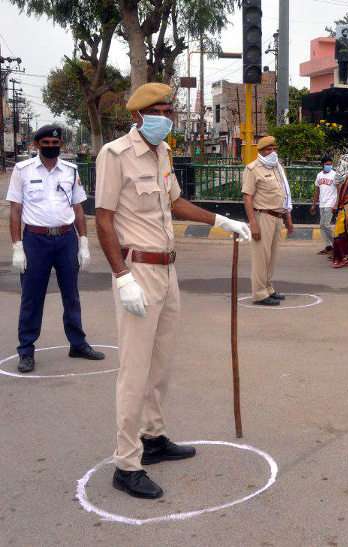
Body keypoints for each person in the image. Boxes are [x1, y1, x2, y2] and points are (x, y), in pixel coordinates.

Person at [95, 83, 251, 499]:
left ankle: (153, 438)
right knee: (134, 371)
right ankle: (126, 464)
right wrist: (121, 276)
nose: (168, 115)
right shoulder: (114, 155)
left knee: (161, 365)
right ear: (137, 116)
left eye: (169, 108)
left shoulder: (163, 152)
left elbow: (175, 204)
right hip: (138, 271)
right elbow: (104, 219)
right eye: (160, 109)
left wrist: (222, 220)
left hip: (168, 270)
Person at [5, 125, 105, 373]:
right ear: (37, 145)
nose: (52, 146)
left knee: (71, 295)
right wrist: (17, 246)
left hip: (65, 240)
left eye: (56, 142)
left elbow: (78, 208)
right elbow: (15, 210)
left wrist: (83, 242)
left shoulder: (70, 171)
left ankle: (78, 344)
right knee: (31, 297)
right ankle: (26, 350)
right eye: (47, 142)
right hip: (35, 241)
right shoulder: (23, 170)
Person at [242, 136, 294, 306]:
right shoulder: (252, 169)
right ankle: (259, 293)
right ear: (261, 151)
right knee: (261, 257)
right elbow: (248, 197)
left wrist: (288, 218)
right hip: (262, 216)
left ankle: (268, 288)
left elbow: (284, 194)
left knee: (271, 256)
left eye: (274, 148)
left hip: (277, 216)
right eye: (268, 149)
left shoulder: (277, 167)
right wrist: (253, 223)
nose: (272, 152)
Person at [310, 156, 337, 258]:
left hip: (330, 203)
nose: (329, 166)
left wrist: (336, 204)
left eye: (330, 164)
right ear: (322, 165)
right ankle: (329, 246)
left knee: (326, 224)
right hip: (322, 203)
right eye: (327, 164)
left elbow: (339, 190)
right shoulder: (319, 175)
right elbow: (317, 191)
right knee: (322, 226)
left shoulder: (334, 175)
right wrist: (314, 204)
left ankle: (337, 244)